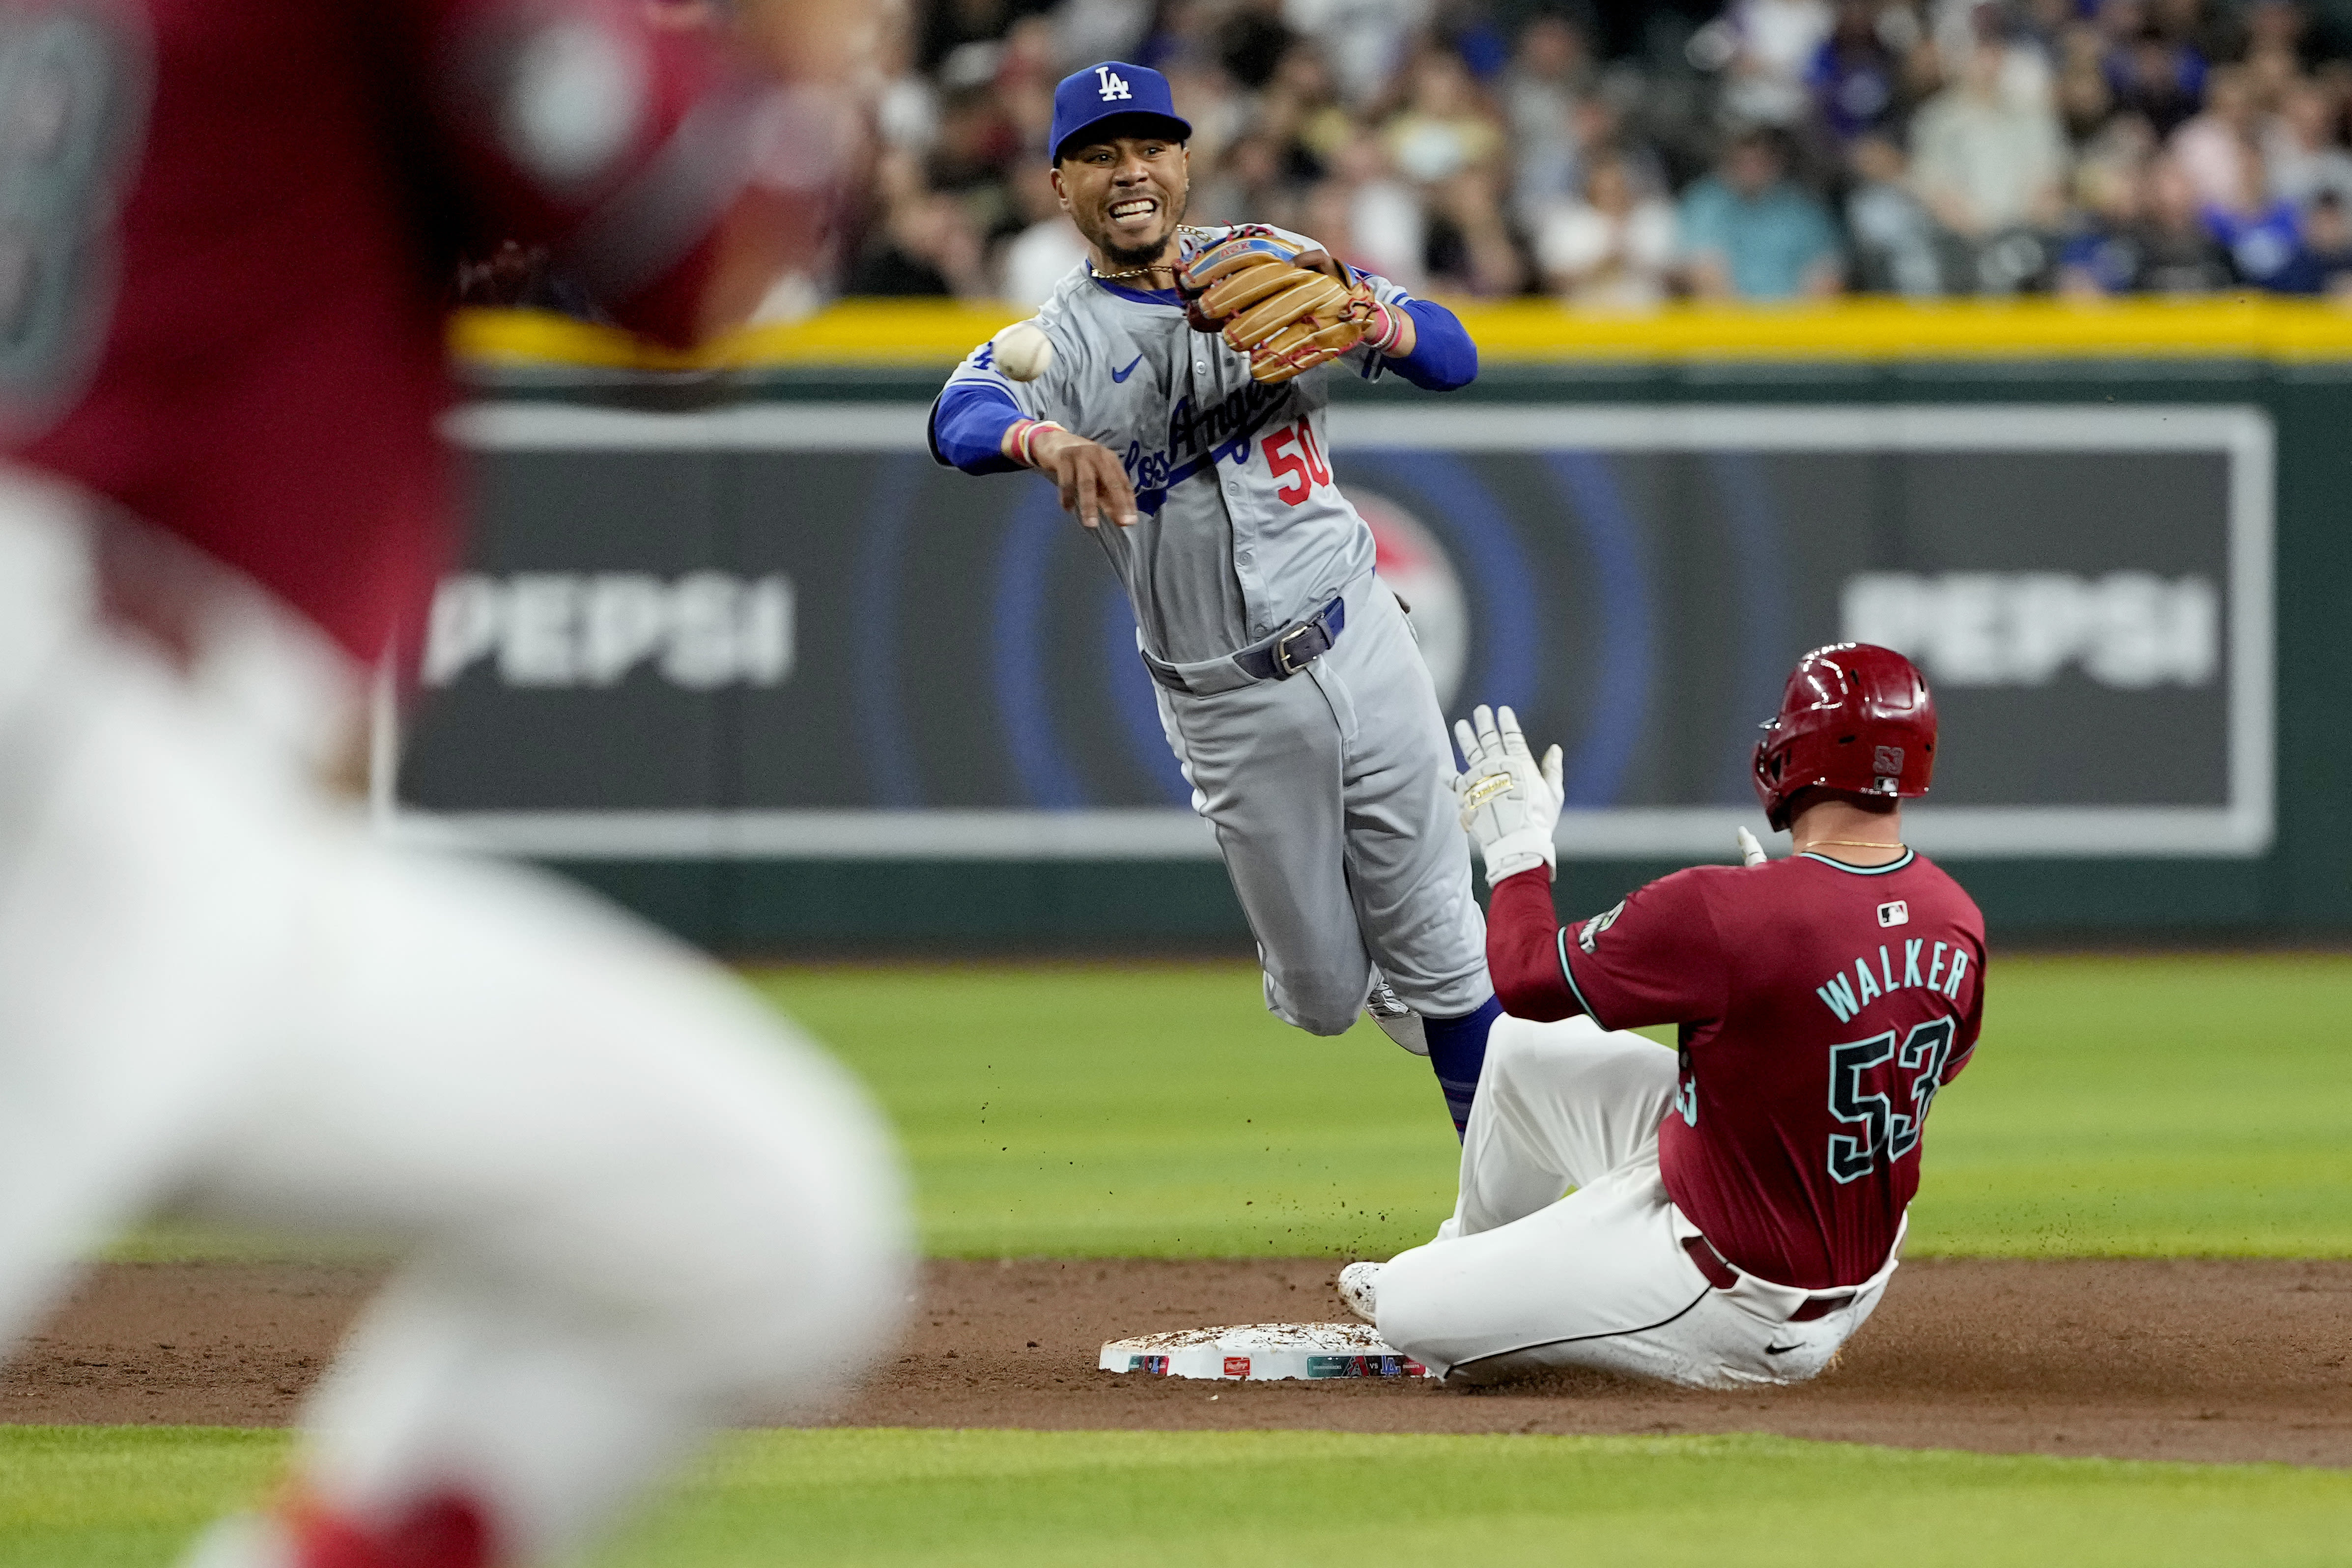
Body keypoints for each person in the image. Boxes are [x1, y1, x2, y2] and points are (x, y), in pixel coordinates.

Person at [0, 4, 909, 1567]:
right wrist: (800, 62)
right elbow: (695, 262)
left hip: (188, 807)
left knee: (750, 1221)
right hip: (80, 737)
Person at [926, 61, 1499, 1136]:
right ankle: (1368, 971)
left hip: (1361, 633)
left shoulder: (1276, 259)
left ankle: (1512, 1231)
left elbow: (1455, 357)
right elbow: (956, 417)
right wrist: (1039, 437)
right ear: (1060, 186)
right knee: (1328, 995)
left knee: (1450, 957)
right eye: (1098, 154)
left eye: (1148, 146)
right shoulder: (1063, 336)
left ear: (1185, 162)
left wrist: (1372, 318)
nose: (1128, 170)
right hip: (1226, 698)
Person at [1337, 645, 1985, 1388]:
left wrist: (1516, 852)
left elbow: (1523, 976)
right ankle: (1476, 1259)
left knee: (1407, 1308)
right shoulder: (1953, 915)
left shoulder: (1731, 911)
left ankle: (1469, 1300)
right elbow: (1893, 1058)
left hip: (1728, 1299)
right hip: (1824, 1246)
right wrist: (1786, 964)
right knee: (1522, 1050)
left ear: (1801, 750)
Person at [1677, 127, 1843, 300]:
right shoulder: (1705, 202)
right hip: (1726, 320)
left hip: (1795, 319)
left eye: (1761, 157)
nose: (1751, 165)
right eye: (1743, 158)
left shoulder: (1803, 208)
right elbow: (1703, 272)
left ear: (1778, 160)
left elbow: (1827, 273)